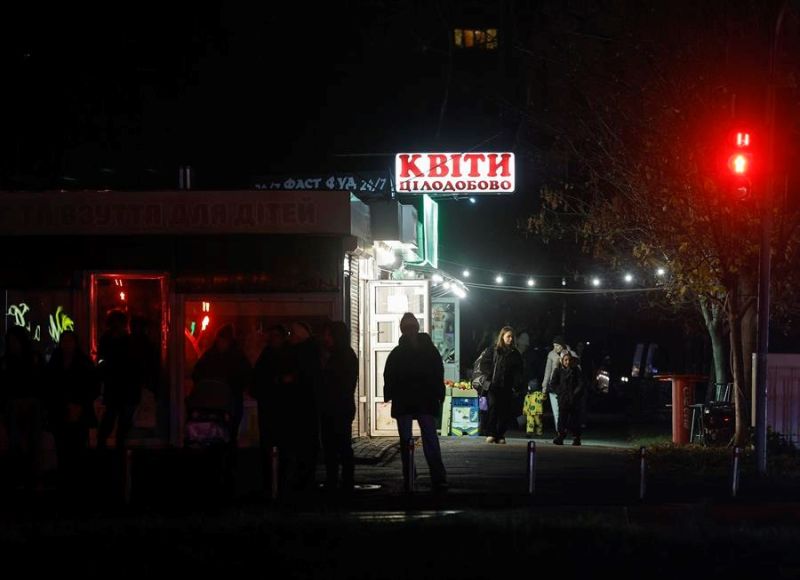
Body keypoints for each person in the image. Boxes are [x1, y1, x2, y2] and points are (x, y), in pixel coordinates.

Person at [383, 313, 447, 492]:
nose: (409, 331)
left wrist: (389, 394)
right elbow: (437, 372)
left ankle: (410, 476)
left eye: (409, 328)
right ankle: (437, 476)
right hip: (425, 400)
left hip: (405, 401)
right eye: (408, 328)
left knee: (407, 441)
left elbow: (390, 375)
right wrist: (439, 394)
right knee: (429, 438)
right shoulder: (429, 349)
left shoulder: (398, 352)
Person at [45, 331, 99, 494]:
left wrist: (79, 405)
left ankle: (75, 487)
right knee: (63, 450)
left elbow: (92, 387)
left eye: (69, 341)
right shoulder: (56, 362)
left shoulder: (83, 363)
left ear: (75, 343)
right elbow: (49, 386)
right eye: (64, 341)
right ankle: (66, 486)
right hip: (60, 412)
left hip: (78, 411)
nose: (67, 345)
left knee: (76, 450)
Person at [192, 324, 252, 449]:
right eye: (219, 340)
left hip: (226, 400)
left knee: (227, 431)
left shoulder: (232, 356)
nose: (221, 343)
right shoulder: (214, 355)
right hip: (217, 402)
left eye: (223, 341)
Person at [1, 326, 45, 491]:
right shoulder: (29, 359)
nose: (13, 344)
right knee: (24, 443)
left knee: (24, 443)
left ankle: (25, 479)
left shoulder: (11, 362)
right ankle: (28, 479)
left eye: (15, 341)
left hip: (24, 405)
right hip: (24, 404)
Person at [318, 321, 358, 493]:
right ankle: (339, 479)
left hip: (338, 407)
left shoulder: (341, 356)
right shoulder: (342, 355)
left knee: (338, 445)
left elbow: (337, 383)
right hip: (339, 406)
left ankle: (341, 480)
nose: (325, 338)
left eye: (328, 334)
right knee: (337, 445)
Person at [282, 321, 322, 493]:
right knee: (306, 444)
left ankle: (303, 480)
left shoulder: (302, 353)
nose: (290, 338)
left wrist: (291, 380)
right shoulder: (312, 351)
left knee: (302, 445)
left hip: (302, 406)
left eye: (292, 335)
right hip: (307, 406)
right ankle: (306, 478)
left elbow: (303, 377)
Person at [252, 325, 289, 495]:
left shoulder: (274, 356)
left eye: (276, 336)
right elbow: (257, 381)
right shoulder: (267, 357)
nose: (273, 339)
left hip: (278, 409)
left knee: (282, 447)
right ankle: (271, 484)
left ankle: (277, 484)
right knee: (269, 446)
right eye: (272, 336)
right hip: (271, 408)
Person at [96, 310, 137, 450]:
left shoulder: (107, 339)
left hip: (115, 386)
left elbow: (102, 361)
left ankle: (103, 445)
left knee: (111, 417)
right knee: (119, 419)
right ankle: (117, 446)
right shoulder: (129, 340)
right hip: (124, 386)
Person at [477, 326, 523, 444]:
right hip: (493, 385)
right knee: (493, 407)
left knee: (504, 411)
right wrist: (489, 376)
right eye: (508, 336)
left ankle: (500, 434)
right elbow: (484, 364)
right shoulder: (493, 349)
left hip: (507, 387)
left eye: (512, 337)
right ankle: (491, 433)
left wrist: (517, 384)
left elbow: (519, 370)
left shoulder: (515, 353)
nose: (510, 339)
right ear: (502, 337)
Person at [541, 335, 576, 436]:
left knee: (566, 410)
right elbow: (547, 371)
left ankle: (567, 429)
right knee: (556, 411)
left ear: (562, 345)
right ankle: (560, 432)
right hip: (554, 387)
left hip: (567, 388)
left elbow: (577, 369)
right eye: (554, 345)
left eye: (557, 345)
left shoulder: (571, 354)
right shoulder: (551, 355)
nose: (555, 347)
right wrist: (544, 387)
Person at [550, 351, 586, 445]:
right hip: (563, 399)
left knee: (575, 419)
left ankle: (576, 437)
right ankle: (560, 436)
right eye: (565, 360)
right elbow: (553, 383)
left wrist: (575, 394)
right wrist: (560, 392)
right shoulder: (557, 370)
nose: (567, 362)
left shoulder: (576, 370)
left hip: (574, 399)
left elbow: (580, 383)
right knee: (562, 418)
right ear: (561, 360)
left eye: (569, 360)